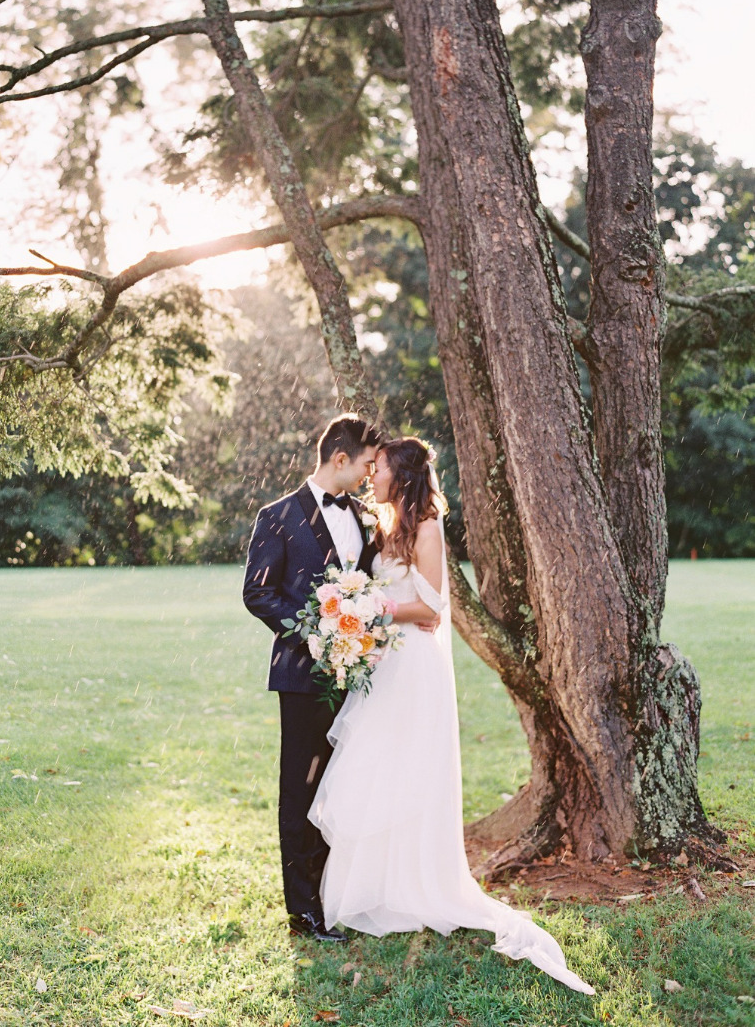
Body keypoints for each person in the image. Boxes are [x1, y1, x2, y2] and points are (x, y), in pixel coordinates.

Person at [307, 437, 596, 996]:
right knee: (379, 769)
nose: (373, 475)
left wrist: (371, 606)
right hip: (387, 663)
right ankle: (381, 884)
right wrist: (358, 608)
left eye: (382, 467)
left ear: (404, 474)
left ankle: (415, 883)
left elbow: (434, 607)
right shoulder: (386, 525)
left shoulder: (428, 527)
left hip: (413, 668)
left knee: (410, 770)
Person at [242, 414, 382, 942]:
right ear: (340, 459)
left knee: (345, 784)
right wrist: (315, 632)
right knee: (301, 791)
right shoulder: (275, 516)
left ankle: (340, 894)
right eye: (366, 463)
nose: (371, 474)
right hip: (303, 678)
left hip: (359, 678)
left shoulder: (366, 518)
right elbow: (258, 593)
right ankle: (303, 911)